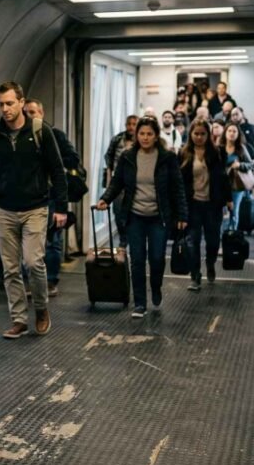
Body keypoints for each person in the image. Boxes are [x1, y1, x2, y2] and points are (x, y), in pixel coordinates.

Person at [0, 82, 68, 340]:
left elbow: (57, 170)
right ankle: (19, 319)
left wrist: (61, 208)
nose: (5, 109)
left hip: (36, 208)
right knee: (10, 269)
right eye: (1, 104)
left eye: (10, 103)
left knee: (33, 263)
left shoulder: (41, 131)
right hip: (6, 208)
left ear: (21, 102)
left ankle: (41, 310)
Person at [97, 117, 187, 318]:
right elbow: (117, 182)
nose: (145, 137)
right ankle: (139, 303)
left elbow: (177, 187)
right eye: (142, 134)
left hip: (159, 217)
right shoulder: (128, 157)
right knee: (137, 259)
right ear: (136, 135)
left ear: (156, 137)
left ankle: (156, 286)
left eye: (149, 134)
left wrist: (182, 214)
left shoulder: (167, 158)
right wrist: (105, 199)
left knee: (156, 258)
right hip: (134, 216)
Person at [24, 98, 80, 297]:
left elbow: (73, 159)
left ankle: (51, 281)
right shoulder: (21, 137)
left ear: (41, 113)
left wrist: (50, 159)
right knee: (29, 241)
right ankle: (30, 282)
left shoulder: (55, 135)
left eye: (32, 112)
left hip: (52, 196)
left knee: (52, 241)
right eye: (26, 112)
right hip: (30, 197)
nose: (29, 117)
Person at [178, 120, 232, 292]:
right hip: (192, 204)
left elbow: (224, 178)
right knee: (192, 241)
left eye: (202, 134)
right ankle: (195, 275)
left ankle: (210, 263)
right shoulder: (183, 153)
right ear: (191, 134)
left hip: (212, 204)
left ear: (208, 135)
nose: (199, 137)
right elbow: (179, 182)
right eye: (196, 133)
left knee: (213, 240)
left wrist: (228, 199)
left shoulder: (217, 152)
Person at [104, 115, 138, 247]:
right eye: (129, 124)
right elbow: (109, 161)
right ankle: (123, 238)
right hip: (118, 182)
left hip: (135, 183)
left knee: (133, 212)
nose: (131, 127)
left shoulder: (142, 141)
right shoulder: (117, 139)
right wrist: (108, 185)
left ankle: (133, 237)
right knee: (118, 212)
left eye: (134, 124)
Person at [221, 123, 254, 231]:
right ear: (225, 133)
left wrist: (240, 165)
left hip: (236, 185)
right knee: (222, 211)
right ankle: (222, 235)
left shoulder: (241, 148)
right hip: (221, 184)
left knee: (234, 211)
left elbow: (250, 164)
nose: (231, 133)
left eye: (234, 131)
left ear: (238, 134)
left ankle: (233, 233)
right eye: (229, 131)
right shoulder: (220, 148)